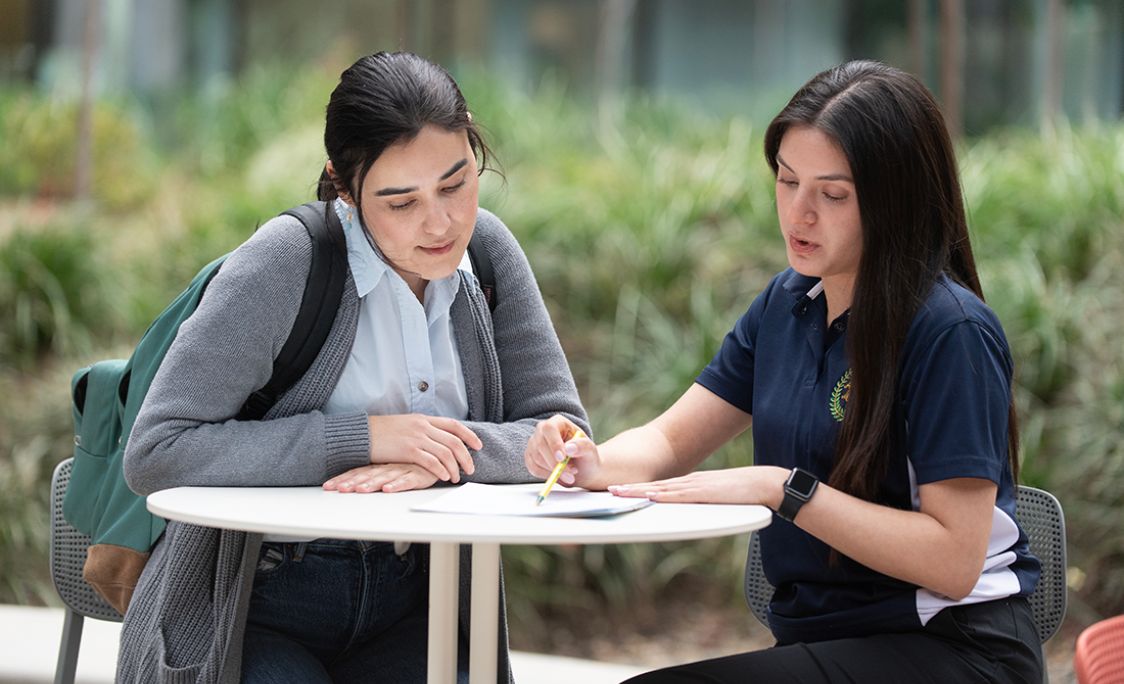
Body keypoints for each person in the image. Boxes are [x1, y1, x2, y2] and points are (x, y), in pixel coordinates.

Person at [525, 60, 1043, 683]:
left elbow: (956, 560)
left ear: (895, 200)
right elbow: (668, 440)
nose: (799, 214)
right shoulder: (788, 303)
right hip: (828, 641)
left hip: (952, 649)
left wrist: (786, 490)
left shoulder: (950, 331)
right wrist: (592, 461)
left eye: (832, 194)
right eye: (787, 181)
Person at [119, 51, 589, 683]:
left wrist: (436, 457)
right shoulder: (286, 262)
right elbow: (158, 451)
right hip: (258, 605)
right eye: (401, 203)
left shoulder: (490, 253)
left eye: (455, 184)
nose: (440, 222)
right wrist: (362, 440)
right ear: (344, 185)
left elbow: (563, 438)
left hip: (417, 601)